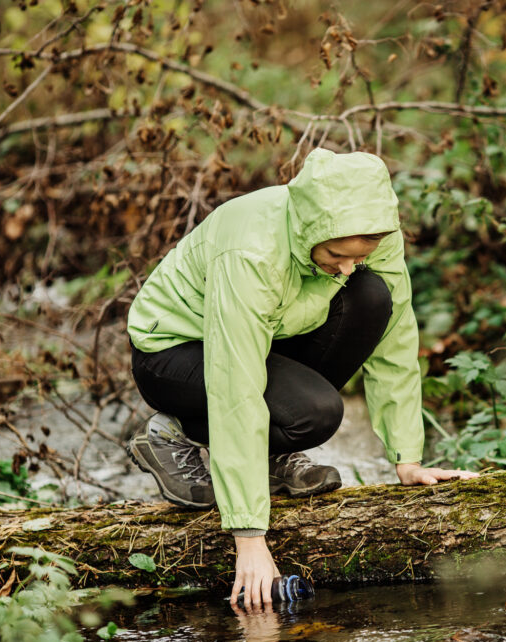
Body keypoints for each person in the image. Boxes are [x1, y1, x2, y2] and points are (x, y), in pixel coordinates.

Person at [125, 148, 477, 610]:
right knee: (317, 413)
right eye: (336, 255)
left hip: (271, 333)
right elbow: (236, 386)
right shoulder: (252, 250)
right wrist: (249, 536)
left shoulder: (372, 234)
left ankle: (269, 455)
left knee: (372, 296)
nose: (349, 265)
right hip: (173, 352)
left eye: (360, 254)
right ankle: (175, 433)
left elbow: (394, 341)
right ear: (314, 229)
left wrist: (407, 459)